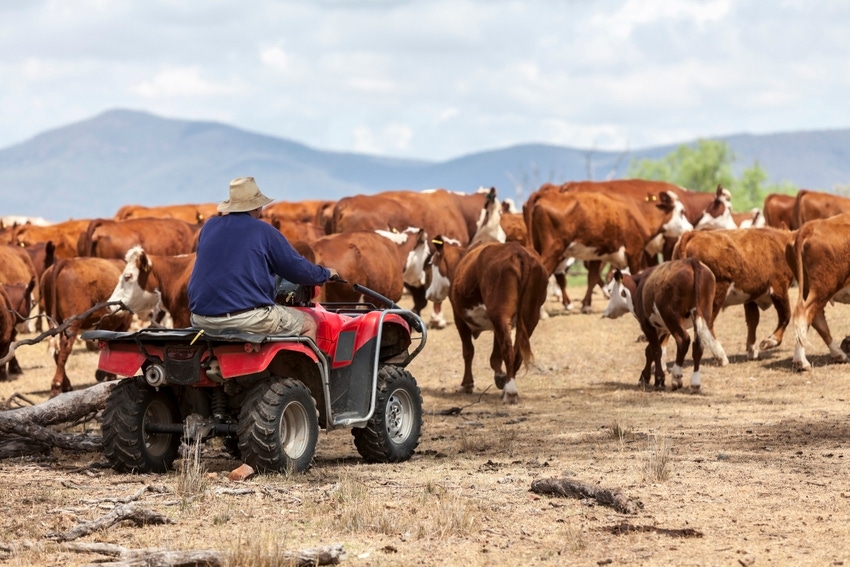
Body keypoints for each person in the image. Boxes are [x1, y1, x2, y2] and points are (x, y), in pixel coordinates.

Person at [188, 176, 338, 341]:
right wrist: (325, 273)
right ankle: (311, 366)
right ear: (257, 207)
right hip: (247, 319)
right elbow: (297, 270)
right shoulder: (264, 231)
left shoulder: (209, 227)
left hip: (201, 319)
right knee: (309, 323)